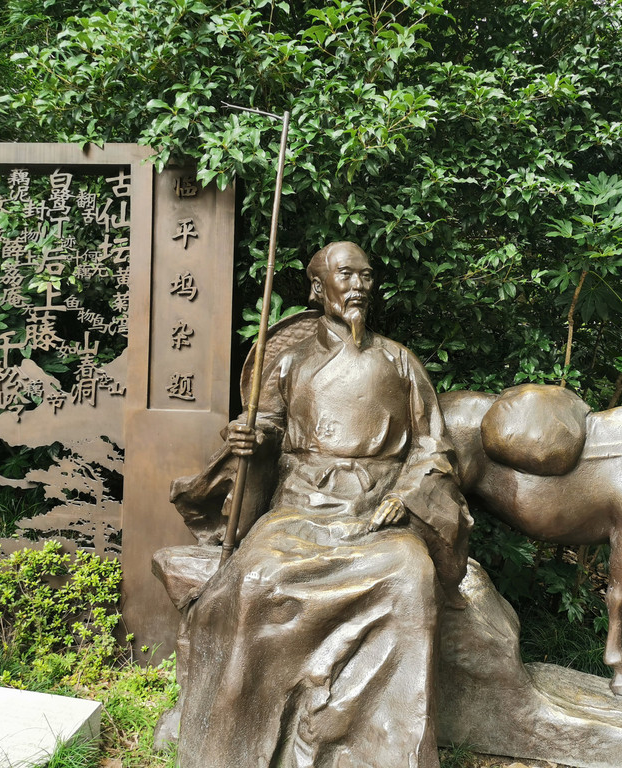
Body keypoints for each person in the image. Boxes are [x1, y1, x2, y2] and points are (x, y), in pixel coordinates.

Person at [168, 241, 472, 768]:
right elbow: (267, 426)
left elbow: (433, 445)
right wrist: (250, 437)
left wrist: (404, 495)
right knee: (256, 578)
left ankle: (377, 746)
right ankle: (236, 744)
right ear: (318, 287)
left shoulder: (400, 361)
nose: (358, 287)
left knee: (412, 575)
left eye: (366, 276)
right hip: (301, 507)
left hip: (376, 509)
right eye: (346, 275)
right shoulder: (290, 362)